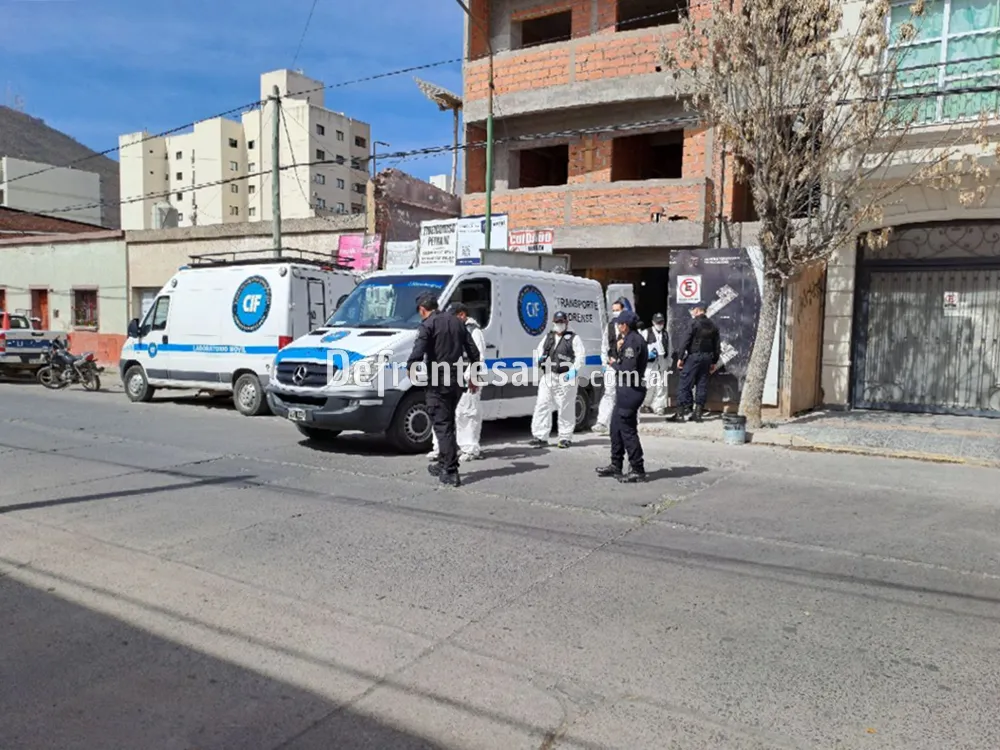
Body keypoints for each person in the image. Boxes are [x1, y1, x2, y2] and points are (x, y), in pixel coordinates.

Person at [406, 293, 481, 486]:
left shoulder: (427, 324)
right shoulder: (458, 323)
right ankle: (443, 462)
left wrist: (411, 368)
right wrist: (473, 374)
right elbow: (474, 352)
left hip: (438, 383)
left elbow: (417, 352)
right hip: (456, 382)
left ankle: (450, 470)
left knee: (442, 425)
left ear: (422, 309)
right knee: (448, 423)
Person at [428, 302, 486, 463]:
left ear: (462, 315)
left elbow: (478, 356)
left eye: (453, 316)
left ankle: (470, 448)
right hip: (452, 377)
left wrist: (472, 377)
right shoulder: (453, 329)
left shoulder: (473, 331)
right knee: (444, 413)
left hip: (470, 376)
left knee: (468, 413)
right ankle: (441, 449)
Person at [596, 310, 648, 483]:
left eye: (619, 323)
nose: (617, 326)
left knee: (628, 431)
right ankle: (615, 464)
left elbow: (627, 370)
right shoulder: (627, 340)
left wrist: (613, 363)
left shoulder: (633, 341)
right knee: (615, 428)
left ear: (625, 325)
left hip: (630, 389)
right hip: (624, 389)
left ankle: (637, 469)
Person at [530, 310, 586, 449]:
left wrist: (573, 371)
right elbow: (538, 351)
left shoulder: (573, 338)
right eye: (557, 322)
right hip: (549, 375)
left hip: (566, 377)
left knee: (565, 407)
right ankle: (540, 436)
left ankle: (565, 437)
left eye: (562, 322)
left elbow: (581, 357)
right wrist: (539, 360)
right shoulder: (548, 337)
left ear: (566, 323)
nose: (559, 325)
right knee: (542, 405)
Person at [672, 305, 721, 423]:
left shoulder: (693, 323)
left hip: (694, 356)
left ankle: (680, 413)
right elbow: (717, 346)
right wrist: (714, 361)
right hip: (707, 358)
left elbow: (685, 340)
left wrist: (680, 357)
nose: (692, 312)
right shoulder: (713, 325)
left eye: (693, 310)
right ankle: (698, 414)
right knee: (702, 384)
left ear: (698, 310)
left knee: (685, 383)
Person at [593, 298, 627, 434]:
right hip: (611, 365)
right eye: (613, 311)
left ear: (623, 310)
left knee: (624, 394)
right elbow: (604, 346)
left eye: (617, 310)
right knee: (609, 393)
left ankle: (624, 423)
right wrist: (604, 363)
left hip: (626, 366)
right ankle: (602, 422)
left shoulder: (630, 327)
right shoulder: (610, 327)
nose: (615, 313)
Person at [639, 312, 669, 416]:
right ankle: (646, 404)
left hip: (662, 362)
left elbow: (670, 348)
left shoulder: (665, 334)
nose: (660, 324)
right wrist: (648, 354)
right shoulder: (646, 333)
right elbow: (639, 348)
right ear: (653, 322)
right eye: (658, 322)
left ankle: (659, 406)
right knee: (649, 385)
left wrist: (668, 362)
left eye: (661, 322)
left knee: (661, 385)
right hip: (649, 363)